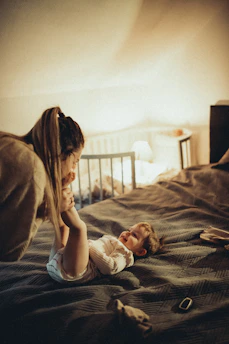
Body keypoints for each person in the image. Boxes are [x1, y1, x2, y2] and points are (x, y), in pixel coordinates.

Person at [0, 106, 84, 262]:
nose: (73, 169)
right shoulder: (32, 168)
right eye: (75, 161)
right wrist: (50, 208)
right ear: (63, 154)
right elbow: (10, 251)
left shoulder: (8, 143)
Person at [47, 211, 164, 283]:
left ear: (140, 252)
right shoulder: (113, 241)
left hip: (78, 270)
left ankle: (64, 201)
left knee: (79, 228)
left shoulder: (125, 254)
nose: (127, 233)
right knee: (63, 228)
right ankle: (56, 202)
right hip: (57, 262)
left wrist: (90, 247)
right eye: (129, 230)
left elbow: (110, 267)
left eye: (134, 235)